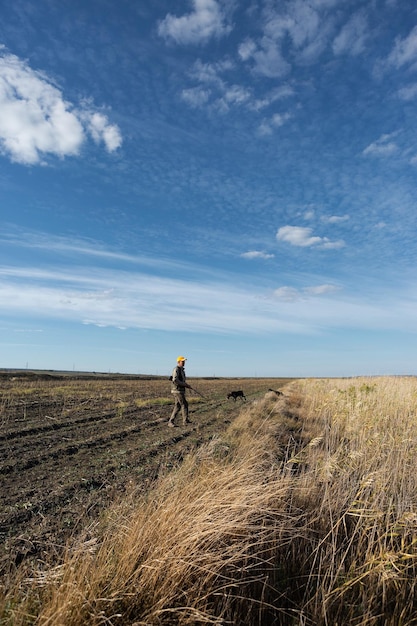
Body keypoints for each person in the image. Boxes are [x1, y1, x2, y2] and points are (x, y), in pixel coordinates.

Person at [168, 356, 192, 427]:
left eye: (184, 361)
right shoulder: (176, 369)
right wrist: (184, 384)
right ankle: (185, 421)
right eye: (182, 361)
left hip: (180, 390)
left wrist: (186, 385)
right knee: (184, 404)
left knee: (178, 406)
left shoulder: (182, 370)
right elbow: (175, 380)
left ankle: (171, 421)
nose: (184, 362)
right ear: (178, 362)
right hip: (177, 390)